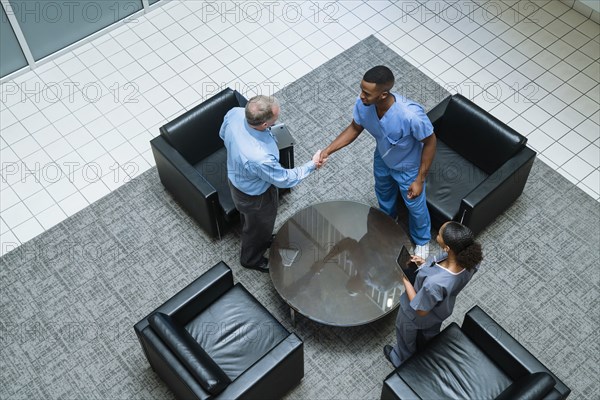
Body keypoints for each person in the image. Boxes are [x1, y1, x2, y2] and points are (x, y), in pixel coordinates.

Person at [319, 66, 436, 258]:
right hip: (382, 157)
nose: (361, 96)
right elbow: (355, 128)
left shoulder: (411, 115)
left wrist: (419, 179)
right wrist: (328, 150)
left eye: (366, 93)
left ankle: (422, 240)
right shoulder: (363, 104)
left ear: (383, 95)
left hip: (407, 165)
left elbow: (430, 142)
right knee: (383, 192)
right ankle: (388, 220)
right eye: (361, 90)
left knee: (415, 204)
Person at [220, 95, 324, 272]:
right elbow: (285, 179)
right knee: (258, 226)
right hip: (256, 196)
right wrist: (312, 165)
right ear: (264, 125)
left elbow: (222, 134)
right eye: (275, 118)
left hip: (237, 180)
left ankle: (263, 237)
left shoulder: (235, 114)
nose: (278, 119)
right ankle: (250, 259)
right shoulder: (259, 157)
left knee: (252, 221)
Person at [383, 221, 483, 367]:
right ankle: (426, 350)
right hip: (439, 311)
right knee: (429, 334)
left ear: (447, 247)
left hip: (414, 314)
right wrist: (424, 264)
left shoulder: (435, 283)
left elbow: (420, 310)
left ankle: (400, 359)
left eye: (440, 234)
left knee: (405, 336)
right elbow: (440, 269)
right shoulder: (470, 260)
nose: (437, 235)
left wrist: (404, 279)